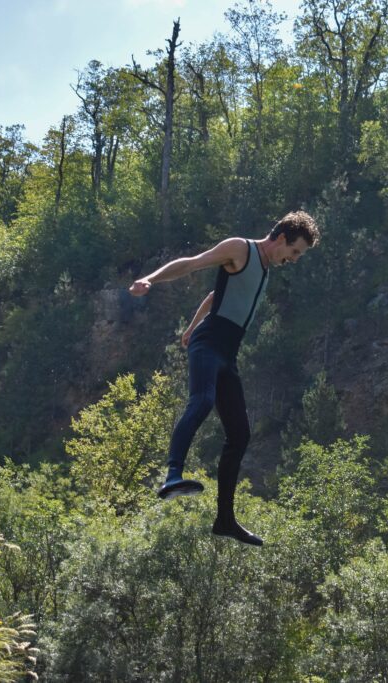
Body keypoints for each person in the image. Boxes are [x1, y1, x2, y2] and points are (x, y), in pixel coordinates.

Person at [129, 211, 319, 545]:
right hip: (208, 345)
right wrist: (151, 279)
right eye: (295, 251)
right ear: (281, 238)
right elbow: (191, 262)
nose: (294, 259)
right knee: (202, 400)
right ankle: (173, 474)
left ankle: (225, 520)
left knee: (240, 434)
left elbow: (219, 296)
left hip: (227, 355)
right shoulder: (239, 249)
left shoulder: (264, 271)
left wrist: (190, 326)